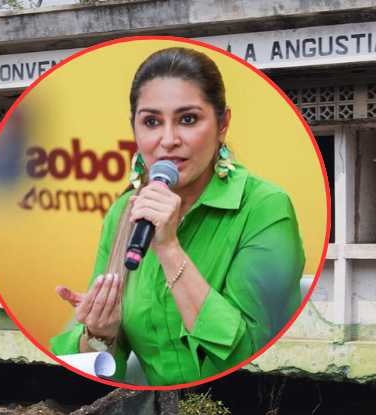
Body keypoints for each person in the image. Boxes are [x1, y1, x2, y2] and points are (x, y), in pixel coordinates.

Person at [49, 47, 306, 387]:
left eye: (188, 119)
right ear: (134, 129)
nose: (168, 141)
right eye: (151, 122)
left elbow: (249, 354)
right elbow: (97, 371)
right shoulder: (125, 212)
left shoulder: (265, 207)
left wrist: (169, 247)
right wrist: (99, 333)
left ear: (223, 123)